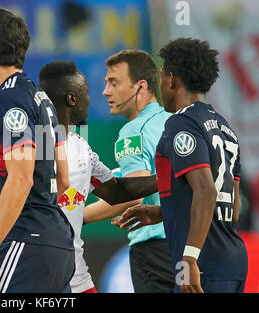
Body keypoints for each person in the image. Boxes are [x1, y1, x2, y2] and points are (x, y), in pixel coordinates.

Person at [114, 38, 248, 293]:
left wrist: (189, 258)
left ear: (172, 79)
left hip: (201, 264)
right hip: (234, 263)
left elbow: (207, 191)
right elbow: (232, 208)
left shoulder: (180, 124)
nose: (161, 84)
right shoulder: (225, 128)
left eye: (163, 76)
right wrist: (160, 213)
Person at [0, 6, 75, 293]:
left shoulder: (8, 99)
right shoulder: (39, 98)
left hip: (25, 241)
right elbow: (63, 179)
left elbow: (21, 177)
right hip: (55, 244)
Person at [38, 60, 157, 293]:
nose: (91, 100)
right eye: (86, 94)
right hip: (34, 271)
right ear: (72, 99)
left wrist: (167, 178)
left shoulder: (80, 146)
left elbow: (116, 192)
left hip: (75, 273)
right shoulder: (30, 141)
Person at [101, 50, 175, 293]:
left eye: (114, 82)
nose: (106, 91)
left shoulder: (133, 132)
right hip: (190, 243)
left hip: (154, 248)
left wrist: (80, 216)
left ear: (140, 86)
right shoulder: (177, 122)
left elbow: (134, 193)